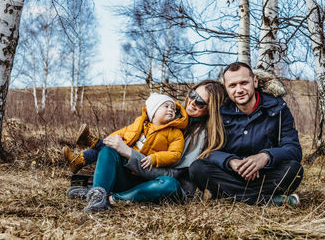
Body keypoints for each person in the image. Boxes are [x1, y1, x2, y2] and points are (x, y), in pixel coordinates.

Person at [67, 80, 227, 212]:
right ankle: (97, 195)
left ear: (210, 110)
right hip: (135, 176)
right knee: (109, 149)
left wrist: (130, 154)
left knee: (168, 185)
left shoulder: (200, 136)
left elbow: (171, 175)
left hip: (160, 185)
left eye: (200, 102)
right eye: (193, 94)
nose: (192, 102)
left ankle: (112, 198)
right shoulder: (169, 115)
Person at [189, 62, 304, 207]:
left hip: (265, 174)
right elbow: (209, 151)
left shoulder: (278, 109)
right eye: (232, 85)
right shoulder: (219, 113)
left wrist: (265, 157)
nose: (239, 90)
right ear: (226, 88)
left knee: (294, 169)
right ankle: (269, 201)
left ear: (254, 82)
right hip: (230, 174)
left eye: (244, 83)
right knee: (198, 168)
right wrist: (231, 162)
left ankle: (229, 195)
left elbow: (293, 149)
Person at [63, 93, 187, 173]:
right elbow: (124, 132)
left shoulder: (175, 133)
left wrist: (155, 158)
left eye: (173, 109)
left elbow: (175, 154)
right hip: (125, 156)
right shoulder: (141, 123)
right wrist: (111, 139)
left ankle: (91, 142)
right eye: (166, 106)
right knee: (107, 147)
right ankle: (78, 160)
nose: (171, 109)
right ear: (153, 111)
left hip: (140, 163)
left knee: (104, 147)